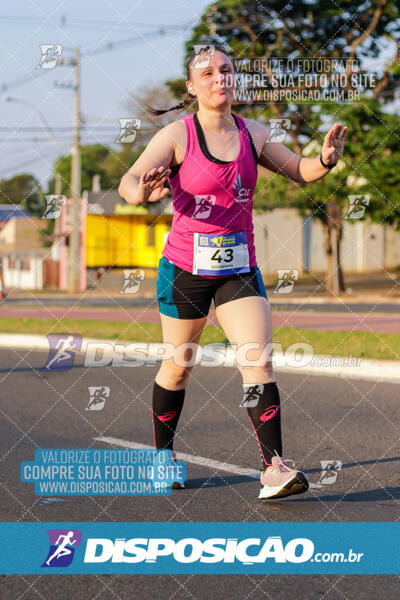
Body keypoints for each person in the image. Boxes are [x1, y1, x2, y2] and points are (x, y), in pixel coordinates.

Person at [118, 44, 347, 500]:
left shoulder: (254, 133)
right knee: (179, 366)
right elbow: (129, 182)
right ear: (192, 86)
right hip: (184, 267)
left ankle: (274, 468)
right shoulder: (176, 137)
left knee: (257, 358)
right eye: (207, 73)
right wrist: (141, 192)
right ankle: (163, 456)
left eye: (225, 70)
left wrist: (324, 160)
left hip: (239, 267)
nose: (218, 78)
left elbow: (298, 171)